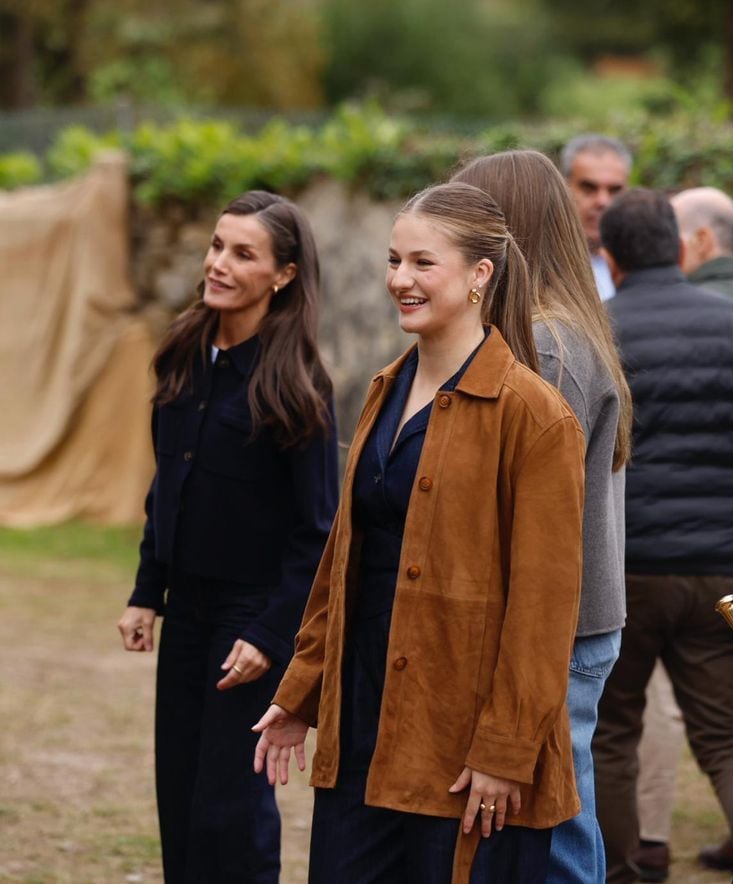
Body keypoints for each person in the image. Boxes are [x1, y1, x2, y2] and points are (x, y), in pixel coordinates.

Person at [251, 182, 587, 883]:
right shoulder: (385, 389)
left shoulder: (535, 414)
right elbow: (345, 559)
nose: (399, 279)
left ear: (479, 275)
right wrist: (300, 689)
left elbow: (545, 609)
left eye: (422, 263)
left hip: (465, 741)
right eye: (393, 260)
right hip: (364, 720)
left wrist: (504, 750)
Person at [116, 190, 340, 883]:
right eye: (217, 246)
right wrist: (146, 592)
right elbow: (168, 486)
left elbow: (318, 532)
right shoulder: (185, 353)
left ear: (283, 275)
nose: (218, 263)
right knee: (179, 792)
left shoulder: (298, 385)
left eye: (243, 254)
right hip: (186, 610)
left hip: (249, 623)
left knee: (230, 808)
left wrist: (272, 635)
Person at [592, 188, 733, 884]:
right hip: (726, 571)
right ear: (681, 251)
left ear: (610, 258)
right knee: (727, 738)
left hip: (624, 572)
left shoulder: (598, 332)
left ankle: (619, 874)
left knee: (612, 735)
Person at [451, 149, 633, 884]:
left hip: (562, 623)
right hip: (579, 618)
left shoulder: (549, 344)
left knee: (557, 822)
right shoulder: (560, 330)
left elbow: (527, 509)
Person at [561, 135, 632, 301]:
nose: (603, 201)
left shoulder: (639, 266)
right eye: (589, 188)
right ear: (563, 188)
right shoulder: (539, 267)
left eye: (614, 190)